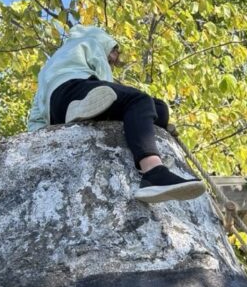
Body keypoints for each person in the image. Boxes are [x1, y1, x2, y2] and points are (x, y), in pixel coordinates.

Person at [27, 25, 205, 204]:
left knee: (158, 108)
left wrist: (39, 137)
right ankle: (154, 172)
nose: (112, 60)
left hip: (56, 109)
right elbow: (105, 82)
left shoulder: (47, 68)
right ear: (106, 43)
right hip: (79, 87)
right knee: (138, 100)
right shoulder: (90, 42)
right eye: (112, 55)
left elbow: (36, 112)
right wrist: (115, 98)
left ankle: (80, 109)